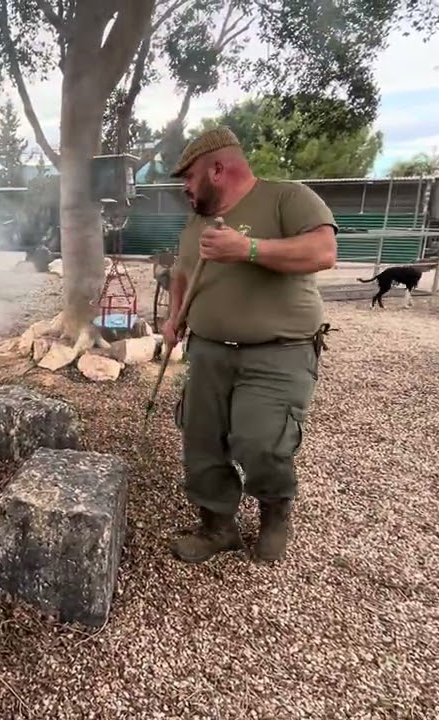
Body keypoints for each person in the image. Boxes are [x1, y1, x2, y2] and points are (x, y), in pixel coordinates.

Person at [161, 127, 338, 564]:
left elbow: (323, 251)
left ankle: (276, 513)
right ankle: (217, 527)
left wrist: (248, 249)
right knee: (201, 440)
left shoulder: (287, 198)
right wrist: (174, 315)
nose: (184, 187)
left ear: (217, 168)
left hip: (278, 351)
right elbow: (183, 272)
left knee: (261, 440)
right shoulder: (196, 220)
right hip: (208, 349)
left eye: (189, 177)